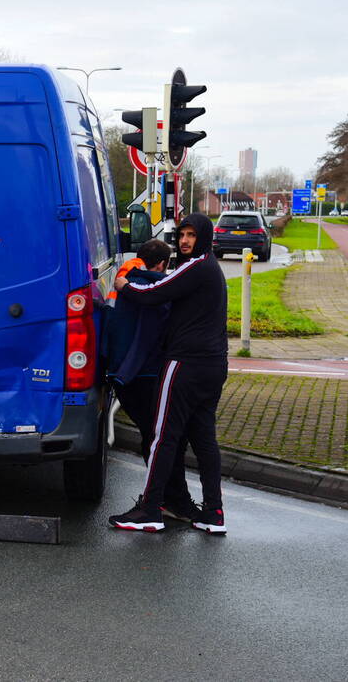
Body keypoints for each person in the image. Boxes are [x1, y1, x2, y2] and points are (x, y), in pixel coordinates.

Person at [107, 213, 229, 534]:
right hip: (214, 365)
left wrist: (124, 286)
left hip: (185, 364)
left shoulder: (196, 266)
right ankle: (213, 513)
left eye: (191, 235)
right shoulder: (213, 269)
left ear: (203, 238)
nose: (185, 241)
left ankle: (150, 509)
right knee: (204, 440)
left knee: (163, 436)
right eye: (182, 235)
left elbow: (155, 292)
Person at [104, 239, 197, 523]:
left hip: (120, 372)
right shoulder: (149, 285)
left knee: (155, 436)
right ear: (161, 264)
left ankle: (168, 499)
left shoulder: (123, 277)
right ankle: (171, 501)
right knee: (162, 439)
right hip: (143, 373)